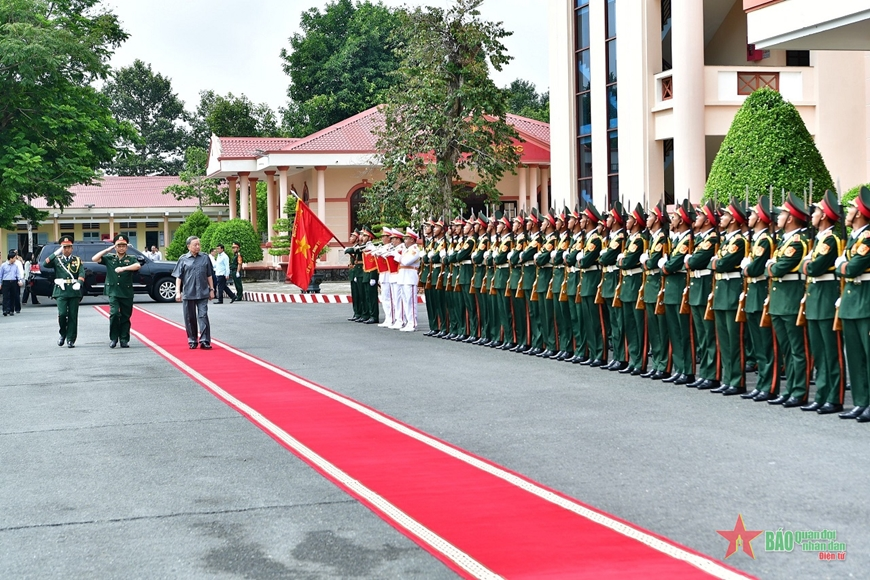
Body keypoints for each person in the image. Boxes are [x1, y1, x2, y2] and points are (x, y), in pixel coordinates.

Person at [800, 189, 845, 414]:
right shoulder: (818, 240)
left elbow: (814, 268)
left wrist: (807, 264)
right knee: (819, 351)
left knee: (831, 351)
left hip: (826, 298)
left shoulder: (830, 240)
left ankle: (834, 398)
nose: (813, 214)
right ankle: (822, 394)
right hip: (815, 299)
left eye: (816, 211)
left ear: (825, 215)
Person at [766, 192, 811, 407]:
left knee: (797, 349)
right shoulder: (786, 241)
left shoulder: (797, 242)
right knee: (786, 350)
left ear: (791, 218)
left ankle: (799, 391)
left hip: (790, 301)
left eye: (782, 214)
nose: (777, 218)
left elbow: (778, 268)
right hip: (779, 301)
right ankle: (791, 388)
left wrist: (770, 267)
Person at [835, 186, 870, 422]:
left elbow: (852, 267)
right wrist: (843, 266)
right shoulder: (855, 238)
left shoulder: (868, 237)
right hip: (851, 301)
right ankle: (860, 402)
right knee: (855, 357)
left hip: (864, 301)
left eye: (851, 208)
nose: (847, 212)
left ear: (859, 213)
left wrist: (842, 266)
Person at [93, 234, 142, 348]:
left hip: (126, 291)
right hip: (113, 291)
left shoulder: (131, 258)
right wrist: (108, 249)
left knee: (125, 316)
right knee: (114, 314)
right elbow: (94, 258)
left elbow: (137, 266)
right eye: (118, 245)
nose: (121, 248)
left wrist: (124, 268)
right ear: (115, 247)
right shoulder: (110, 257)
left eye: (123, 246)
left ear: (127, 247)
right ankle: (114, 338)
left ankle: (124, 339)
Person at [172, 236, 216, 349]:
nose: (198, 247)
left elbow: (209, 275)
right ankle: (192, 340)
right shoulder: (183, 259)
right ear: (188, 246)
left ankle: (205, 341)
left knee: (203, 315)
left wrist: (212, 289)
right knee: (189, 318)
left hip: (203, 292)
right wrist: (178, 292)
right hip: (188, 293)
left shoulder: (205, 258)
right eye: (195, 245)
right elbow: (178, 277)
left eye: (199, 244)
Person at [43, 235, 85, 347]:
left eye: (68, 247)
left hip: (73, 291)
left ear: (72, 248)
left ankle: (71, 339)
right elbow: (45, 264)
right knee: (62, 314)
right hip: (61, 290)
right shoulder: (57, 259)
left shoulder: (77, 260)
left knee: (72, 316)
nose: (66, 249)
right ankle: (63, 334)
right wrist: (55, 253)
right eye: (64, 247)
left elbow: (81, 273)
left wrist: (79, 283)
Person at [396, 228, 422, 331]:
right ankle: (408, 321)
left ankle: (412, 323)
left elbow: (406, 262)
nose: (405, 241)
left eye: (407, 238)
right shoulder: (407, 250)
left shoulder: (415, 250)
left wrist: (397, 255)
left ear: (412, 239)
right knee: (405, 301)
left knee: (410, 301)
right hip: (403, 277)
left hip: (410, 277)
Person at [1, 251, 22, 316]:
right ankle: (5, 310)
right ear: (11, 258)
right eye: (14, 258)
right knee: (5, 296)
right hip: (6, 281)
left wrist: (19, 280)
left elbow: (17, 274)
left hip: (13, 282)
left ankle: (11, 310)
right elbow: (0, 275)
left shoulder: (15, 266)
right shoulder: (3, 265)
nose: (15, 259)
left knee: (13, 296)